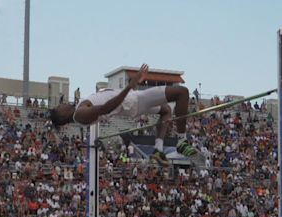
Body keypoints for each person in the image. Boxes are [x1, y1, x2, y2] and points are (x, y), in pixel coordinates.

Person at [49, 64, 196, 166]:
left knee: (166, 111)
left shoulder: (78, 110)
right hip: (134, 100)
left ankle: (158, 150)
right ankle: (181, 142)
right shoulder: (80, 114)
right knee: (182, 92)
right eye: (58, 107)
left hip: (132, 102)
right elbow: (105, 108)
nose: (61, 104)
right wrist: (129, 86)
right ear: (62, 116)